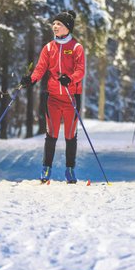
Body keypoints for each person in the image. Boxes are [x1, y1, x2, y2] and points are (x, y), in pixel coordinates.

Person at [20, 11, 85, 184]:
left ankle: (70, 170)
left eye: (59, 24)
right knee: (52, 134)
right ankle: (46, 168)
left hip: (71, 98)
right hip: (54, 99)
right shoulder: (49, 48)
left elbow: (81, 70)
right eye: (54, 23)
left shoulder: (77, 48)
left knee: (70, 135)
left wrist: (69, 78)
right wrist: (31, 79)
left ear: (68, 28)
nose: (55, 27)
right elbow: (40, 68)